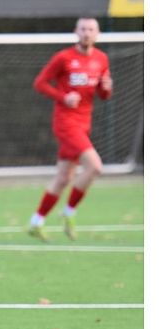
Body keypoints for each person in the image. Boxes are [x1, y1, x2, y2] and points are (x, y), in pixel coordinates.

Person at [28, 17, 113, 242]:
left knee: (64, 177)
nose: (87, 33)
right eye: (83, 29)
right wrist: (63, 97)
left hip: (84, 124)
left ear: (97, 34)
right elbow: (39, 83)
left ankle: (36, 222)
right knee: (95, 167)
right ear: (76, 31)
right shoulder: (64, 57)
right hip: (66, 123)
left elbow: (103, 95)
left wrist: (106, 89)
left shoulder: (101, 59)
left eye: (91, 29)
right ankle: (68, 212)